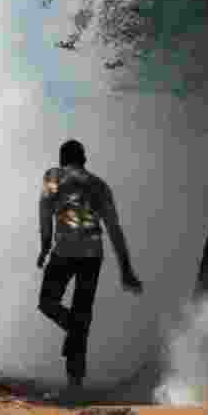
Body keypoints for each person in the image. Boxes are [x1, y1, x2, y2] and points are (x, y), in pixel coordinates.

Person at [37, 139, 143, 391]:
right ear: (84, 160)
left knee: (48, 303)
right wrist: (125, 269)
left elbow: (44, 209)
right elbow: (114, 229)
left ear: (62, 160)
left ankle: (74, 336)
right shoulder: (99, 185)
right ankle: (75, 382)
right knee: (81, 315)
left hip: (64, 251)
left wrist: (44, 246)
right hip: (92, 254)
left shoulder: (53, 175)